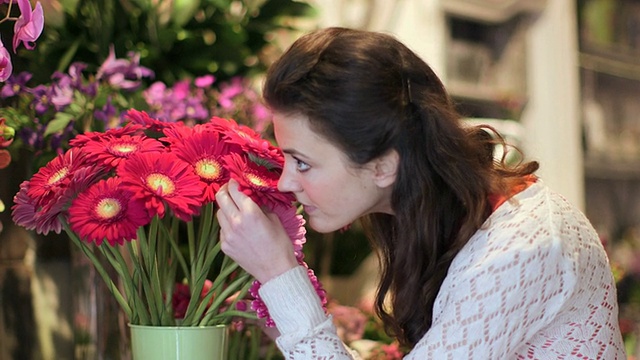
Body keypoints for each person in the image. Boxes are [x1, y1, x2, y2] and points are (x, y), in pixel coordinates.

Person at [214, 27, 626, 359]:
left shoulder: (523, 247)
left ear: (383, 165)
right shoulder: (442, 215)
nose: (285, 181)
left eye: (302, 162)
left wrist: (279, 274)